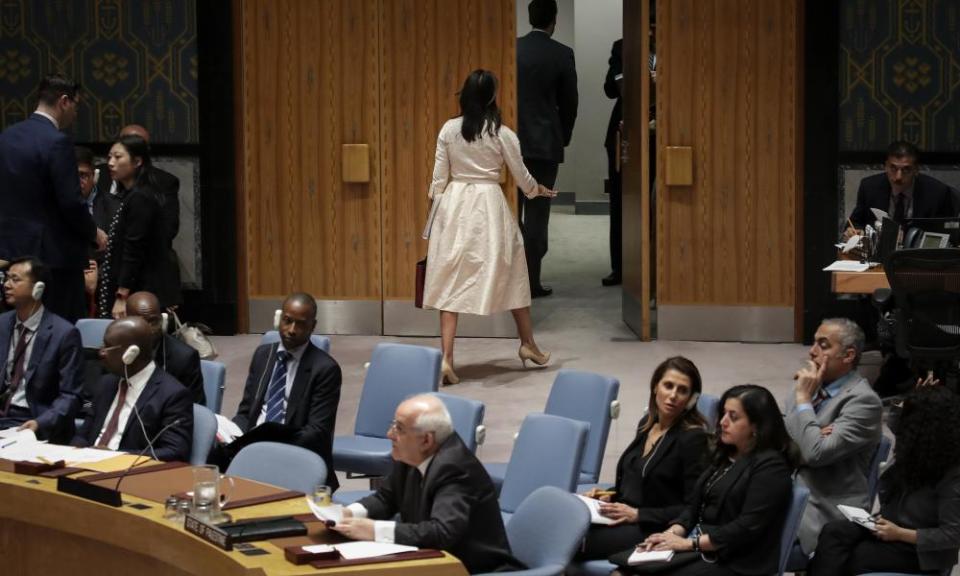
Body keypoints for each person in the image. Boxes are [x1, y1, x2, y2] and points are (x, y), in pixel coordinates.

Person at [423, 70, 555, 385]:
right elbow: (522, 177)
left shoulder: (448, 130)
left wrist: (434, 220)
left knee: (449, 281)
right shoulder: (502, 133)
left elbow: (438, 182)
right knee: (513, 272)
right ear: (492, 97)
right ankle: (527, 344)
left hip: (455, 205)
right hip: (488, 207)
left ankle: (447, 359)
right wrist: (538, 190)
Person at [612, 385, 800, 576]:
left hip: (737, 561)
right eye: (723, 414)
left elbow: (747, 527)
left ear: (756, 426)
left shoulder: (772, 468)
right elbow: (694, 505)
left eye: (733, 417)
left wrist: (690, 543)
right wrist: (672, 533)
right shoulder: (726, 453)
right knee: (622, 571)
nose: (723, 422)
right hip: (703, 545)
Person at [333, 394, 522, 573]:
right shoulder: (411, 455)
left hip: (472, 569)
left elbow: (442, 532)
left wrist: (373, 530)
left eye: (399, 428)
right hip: (432, 561)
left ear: (426, 440)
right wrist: (349, 513)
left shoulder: (454, 468)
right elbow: (386, 498)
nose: (389, 434)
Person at [809, 385, 960, 575]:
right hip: (889, 526)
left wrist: (900, 534)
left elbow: (952, 535)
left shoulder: (953, 473)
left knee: (856, 557)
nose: (904, 428)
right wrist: (906, 399)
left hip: (919, 550)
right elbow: (896, 423)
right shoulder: (920, 448)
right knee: (834, 533)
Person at [577, 356, 710, 560]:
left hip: (651, 526)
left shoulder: (693, 438)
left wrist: (638, 515)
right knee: (562, 521)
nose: (673, 395)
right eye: (668, 386)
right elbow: (637, 478)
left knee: (570, 539)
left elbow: (693, 506)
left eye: (682, 390)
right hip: (623, 517)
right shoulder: (646, 424)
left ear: (691, 399)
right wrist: (608, 495)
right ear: (655, 387)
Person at [0, 75, 105, 322]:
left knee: (17, 325)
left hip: (11, 253)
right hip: (53, 258)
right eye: (76, 105)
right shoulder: (57, 142)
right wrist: (94, 233)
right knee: (59, 328)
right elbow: (70, 203)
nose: (76, 113)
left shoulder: (6, 137)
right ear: (64, 101)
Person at [784, 318, 882, 555]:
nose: (812, 351)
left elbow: (814, 453)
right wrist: (813, 434)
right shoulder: (809, 385)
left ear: (848, 355)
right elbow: (773, 439)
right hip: (784, 494)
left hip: (822, 513)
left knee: (743, 544)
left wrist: (804, 404)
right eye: (814, 342)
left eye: (823, 345)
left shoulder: (863, 402)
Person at [231, 293, 341, 490]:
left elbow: (316, 432)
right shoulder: (263, 355)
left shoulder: (325, 369)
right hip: (253, 447)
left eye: (300, 324)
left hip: (295, 453)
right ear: (279, 319)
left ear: (312, 327)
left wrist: (267, 443)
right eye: (287, 321)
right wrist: (232, 434)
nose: (291, 330)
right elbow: (246, 412)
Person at [516, 0, 578, 298]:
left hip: (510, 143)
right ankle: (532, 282)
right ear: (554, 19)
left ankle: (509, 283)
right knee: (538, 215)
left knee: (509, 214)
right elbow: (570, 103)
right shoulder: (562, 54)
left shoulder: (512, 49)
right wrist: (562, 136)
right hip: (544, 146)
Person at [73, 317, 193, 462]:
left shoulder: (172, 395)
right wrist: (75, 454)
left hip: (128, 474)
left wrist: (115, 456)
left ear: (131, 354)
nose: (101, 353)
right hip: (85, 466)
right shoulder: (106, 383)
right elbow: (84, 434)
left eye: (107, 347)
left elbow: (174, 451)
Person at [0, 257, 82, 444]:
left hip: (35, 420)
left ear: (38, 288)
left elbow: (71, 396)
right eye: (6, 278)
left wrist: (40, 423)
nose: (6, 285)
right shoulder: (2, 324)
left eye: (15, 279)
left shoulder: (64, 334)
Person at [96, 135, 178, 318]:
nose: (110, 163)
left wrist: (122, 294)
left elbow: (134, 248)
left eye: (118, 157)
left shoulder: (140, 197)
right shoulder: (132, 195)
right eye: (109, 157)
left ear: (137, 161)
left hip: (138, 291)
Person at [847, 140, 955, 231]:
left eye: (906, 169)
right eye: (893, 168)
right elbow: (855, 223)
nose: (898, 177)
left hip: (918, 253)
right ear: (886, 167)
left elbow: (947, 232)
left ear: (916, 170)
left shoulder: (937, 192)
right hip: (880, 252)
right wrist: (853, 232)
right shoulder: (869, 187)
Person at [125, 291, 204, 405]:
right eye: (141, 322)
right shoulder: (115, 351)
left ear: (163, 319)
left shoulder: (184, 358)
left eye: (153, 321)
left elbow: (195, 407)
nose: (149, 329)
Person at [602, 38, 624, 287]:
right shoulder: (621, 46)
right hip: (622, 131)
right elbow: (609, 89)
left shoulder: (674, 41)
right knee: (619, 201)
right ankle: (619, 267)